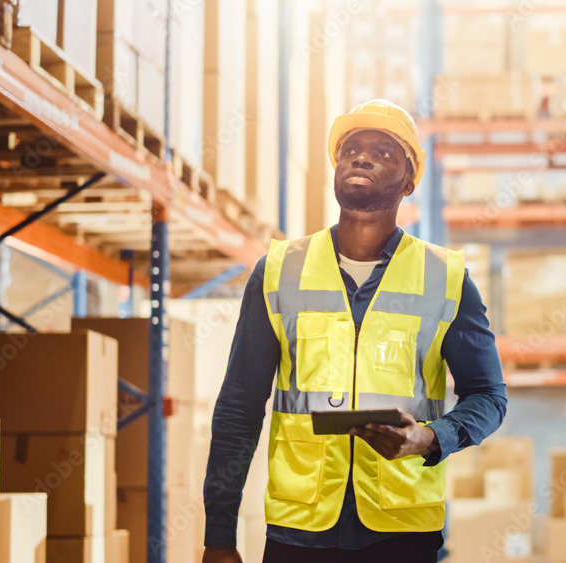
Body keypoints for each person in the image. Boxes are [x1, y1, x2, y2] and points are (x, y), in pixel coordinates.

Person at [201, 99, 507, 563]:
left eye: (383, 152)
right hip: (297, 531)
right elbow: (239, 407)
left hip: (402, 533)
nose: (361, 158)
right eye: (351, 149)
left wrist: (428, 439)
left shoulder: (446, 278)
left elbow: (489, 397)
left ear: (408, 180)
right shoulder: (278, 271)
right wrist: (219, 535)